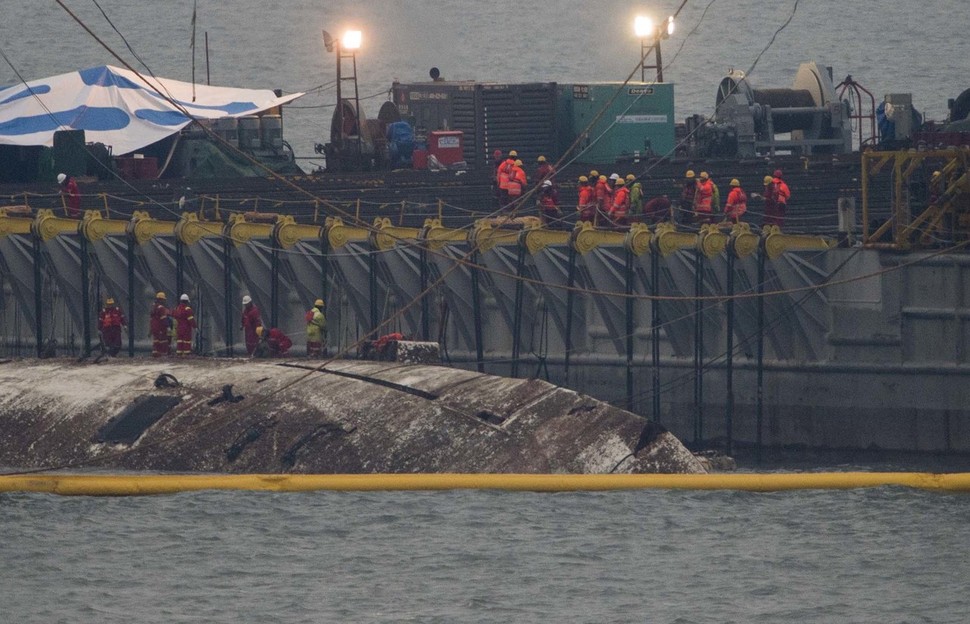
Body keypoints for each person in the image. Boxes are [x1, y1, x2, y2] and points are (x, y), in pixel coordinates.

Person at [149, 291, 171, 357]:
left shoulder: (153, 307)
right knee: (163, 341)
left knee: (156, 340)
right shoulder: (161, 308)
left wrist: (150, 329)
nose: (164, 301)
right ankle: (163, 354)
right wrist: (168, 326)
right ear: (161, 299)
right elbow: (163, 318)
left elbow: (151, 318)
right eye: (163, 300)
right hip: (160, 327)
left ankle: (155, 354)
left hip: (154, 327)